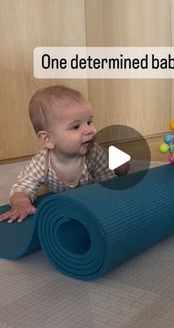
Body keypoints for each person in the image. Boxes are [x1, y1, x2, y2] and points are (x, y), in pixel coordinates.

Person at [0, 85, 129, 224]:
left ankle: (114, 153)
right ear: (48, 139)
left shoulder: (93, 153)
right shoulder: (42, 162)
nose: (90, 130)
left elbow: (106, 182)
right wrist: (20, 203)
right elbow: (22, 186)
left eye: (89, 122)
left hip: (104, 155)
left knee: (123, 168)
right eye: (76, 126)